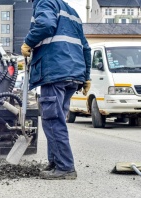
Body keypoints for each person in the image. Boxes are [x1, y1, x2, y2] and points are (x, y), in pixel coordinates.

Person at [21, 0, 91, 180]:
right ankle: (55, 162)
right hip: (73, 74)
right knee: (57, 119)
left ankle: (65, 167)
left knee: (52, 120)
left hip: (55, 71)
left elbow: (45, 24)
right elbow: (86, 47)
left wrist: (28, 42)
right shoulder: (72, 12)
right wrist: (87, 77)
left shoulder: (45, 2)